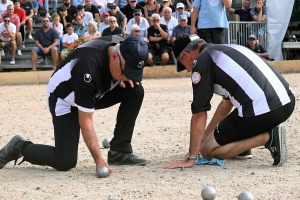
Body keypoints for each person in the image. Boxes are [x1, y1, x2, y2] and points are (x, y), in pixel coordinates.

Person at [0, 36, 149, 173]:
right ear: (114, 57)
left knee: (135, 90)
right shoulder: (88, 70)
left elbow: (124, 68)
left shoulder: (123, 45)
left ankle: (120, 151)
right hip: (64, 98)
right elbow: (86, 121)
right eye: (125, 71)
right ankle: (18, 146)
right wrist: (99, 159)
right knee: (65, 161)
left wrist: (126, 76)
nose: (127, 76)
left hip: (90, 91)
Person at [162, 33, 295, 169]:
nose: (188, 70)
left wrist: (191, 157)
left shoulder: (201, 61)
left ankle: (268, 138)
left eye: (184, 65)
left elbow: (199, 113)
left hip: (264, 109)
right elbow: (226, 104)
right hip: (287, 102)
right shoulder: (226, 48)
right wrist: (204, 137)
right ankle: (242, 148)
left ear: (185, 55)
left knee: (208, 150)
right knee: (211, 140)